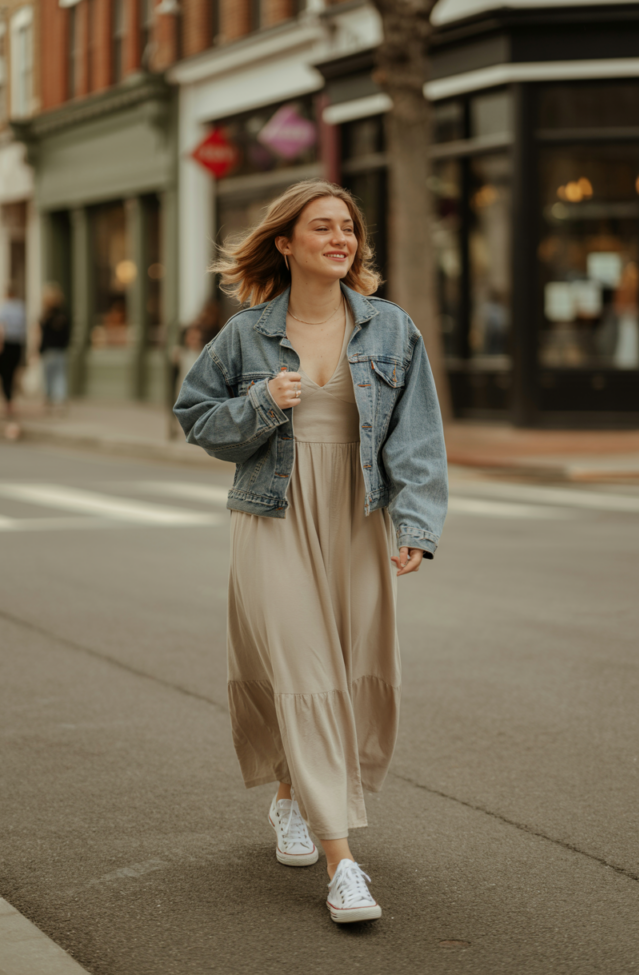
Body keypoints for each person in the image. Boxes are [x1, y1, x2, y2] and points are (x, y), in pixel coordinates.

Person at [174, 180, 448, 924]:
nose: (340, 239)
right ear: (286, 243)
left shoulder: (392, 330)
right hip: (275, 514)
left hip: (357, 516)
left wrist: (417, 527)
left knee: (355, 670)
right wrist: (264, 402)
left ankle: (292, 794)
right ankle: (343, 862)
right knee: (303, 669)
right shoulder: (246, 334)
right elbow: (196, 418)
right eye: (321, 227)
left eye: (348, 229)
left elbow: (417, 437)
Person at [0, 286, 27, 438]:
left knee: (5, 374)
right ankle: (10, 402)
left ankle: (8, 402)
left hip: (6, 344)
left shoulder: (4, 308)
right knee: (11, 374)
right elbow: (24, 328)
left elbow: (1, 327)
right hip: (17, 345)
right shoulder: (20, 307)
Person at [39, 283, 70, 408]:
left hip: (49, 350)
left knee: (50, 377)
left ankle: (50, 399)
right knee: (60, 376)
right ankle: (59, 399)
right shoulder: (63, 315)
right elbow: (67, 334)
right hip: (60, 350)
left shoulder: (46, 316)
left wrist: (40, 349)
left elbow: (43, 335)